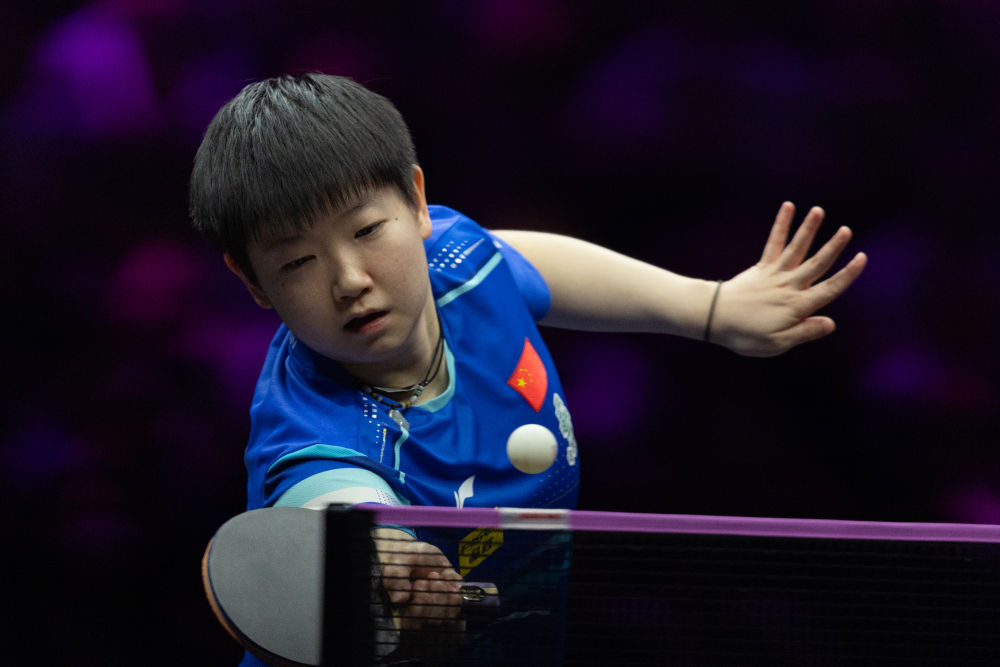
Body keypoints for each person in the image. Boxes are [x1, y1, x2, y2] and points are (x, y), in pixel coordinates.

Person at [189, 73, 867, 664]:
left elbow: (512, 259)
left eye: (367, 230)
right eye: (297, 262)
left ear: (417, 204)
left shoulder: (456, 260)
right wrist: (386, 555)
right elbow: (330, 500)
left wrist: (711, 307)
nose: (349, 279)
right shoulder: (313, 430)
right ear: (252, 281)